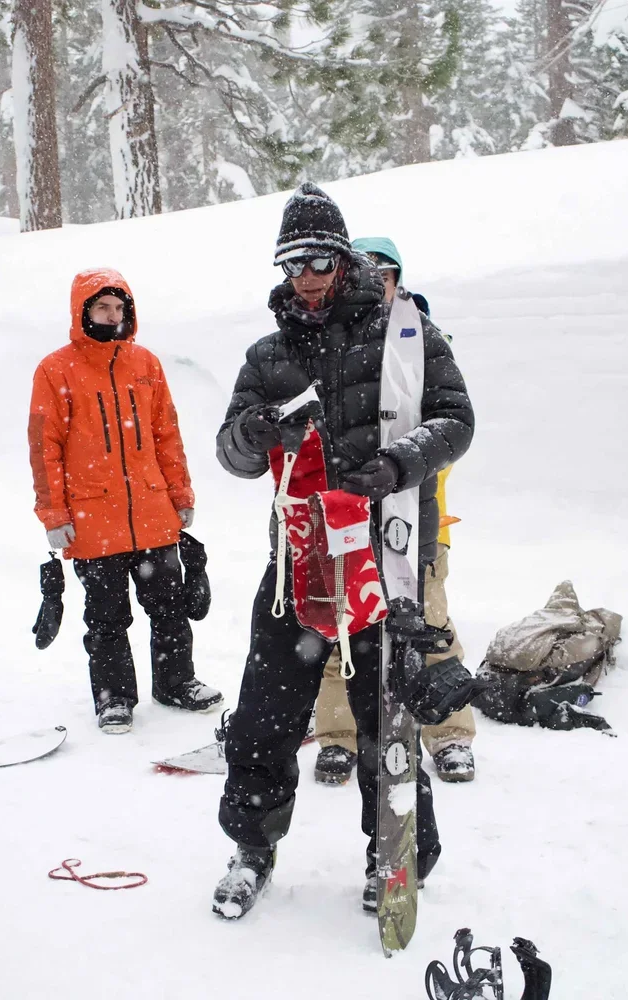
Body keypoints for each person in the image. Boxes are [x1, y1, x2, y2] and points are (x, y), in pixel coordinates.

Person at [210, 184, 475, 918]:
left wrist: (399, 465)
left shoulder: (405, 333)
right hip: (299, 559)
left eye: (319, 258)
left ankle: (395, 851)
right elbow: (230, 453)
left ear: (344, 255)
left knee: (386, 712)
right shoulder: (267, 354)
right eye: (293, 262)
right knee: (265, 714)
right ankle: (252, 847)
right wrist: (255, 433)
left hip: (384, 556)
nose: (307, 275)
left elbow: (457, 418)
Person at [309, 236, 477, 786]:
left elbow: (451, 425)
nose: (377, 281)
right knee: (342, 630)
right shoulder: (334, 342)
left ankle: (450, 733)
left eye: (387, 273)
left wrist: (403, 465)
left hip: (420, 522)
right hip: (350, 523)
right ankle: (339, 735)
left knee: (428, 627)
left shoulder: (418, 340)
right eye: (367, 270)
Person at [28, 267, 223, 733]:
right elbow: (44, 447)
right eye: (102, 307)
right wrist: (53, 513)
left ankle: (176, 682)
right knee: (106, 618)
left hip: (153, 513)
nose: (112, 315)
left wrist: (180, 493)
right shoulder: (55, 370)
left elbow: (166, 435)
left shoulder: (146, 364)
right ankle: (114, 698)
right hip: (92, 521)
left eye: (119, 308)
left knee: (170, 608)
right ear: (83, 311)